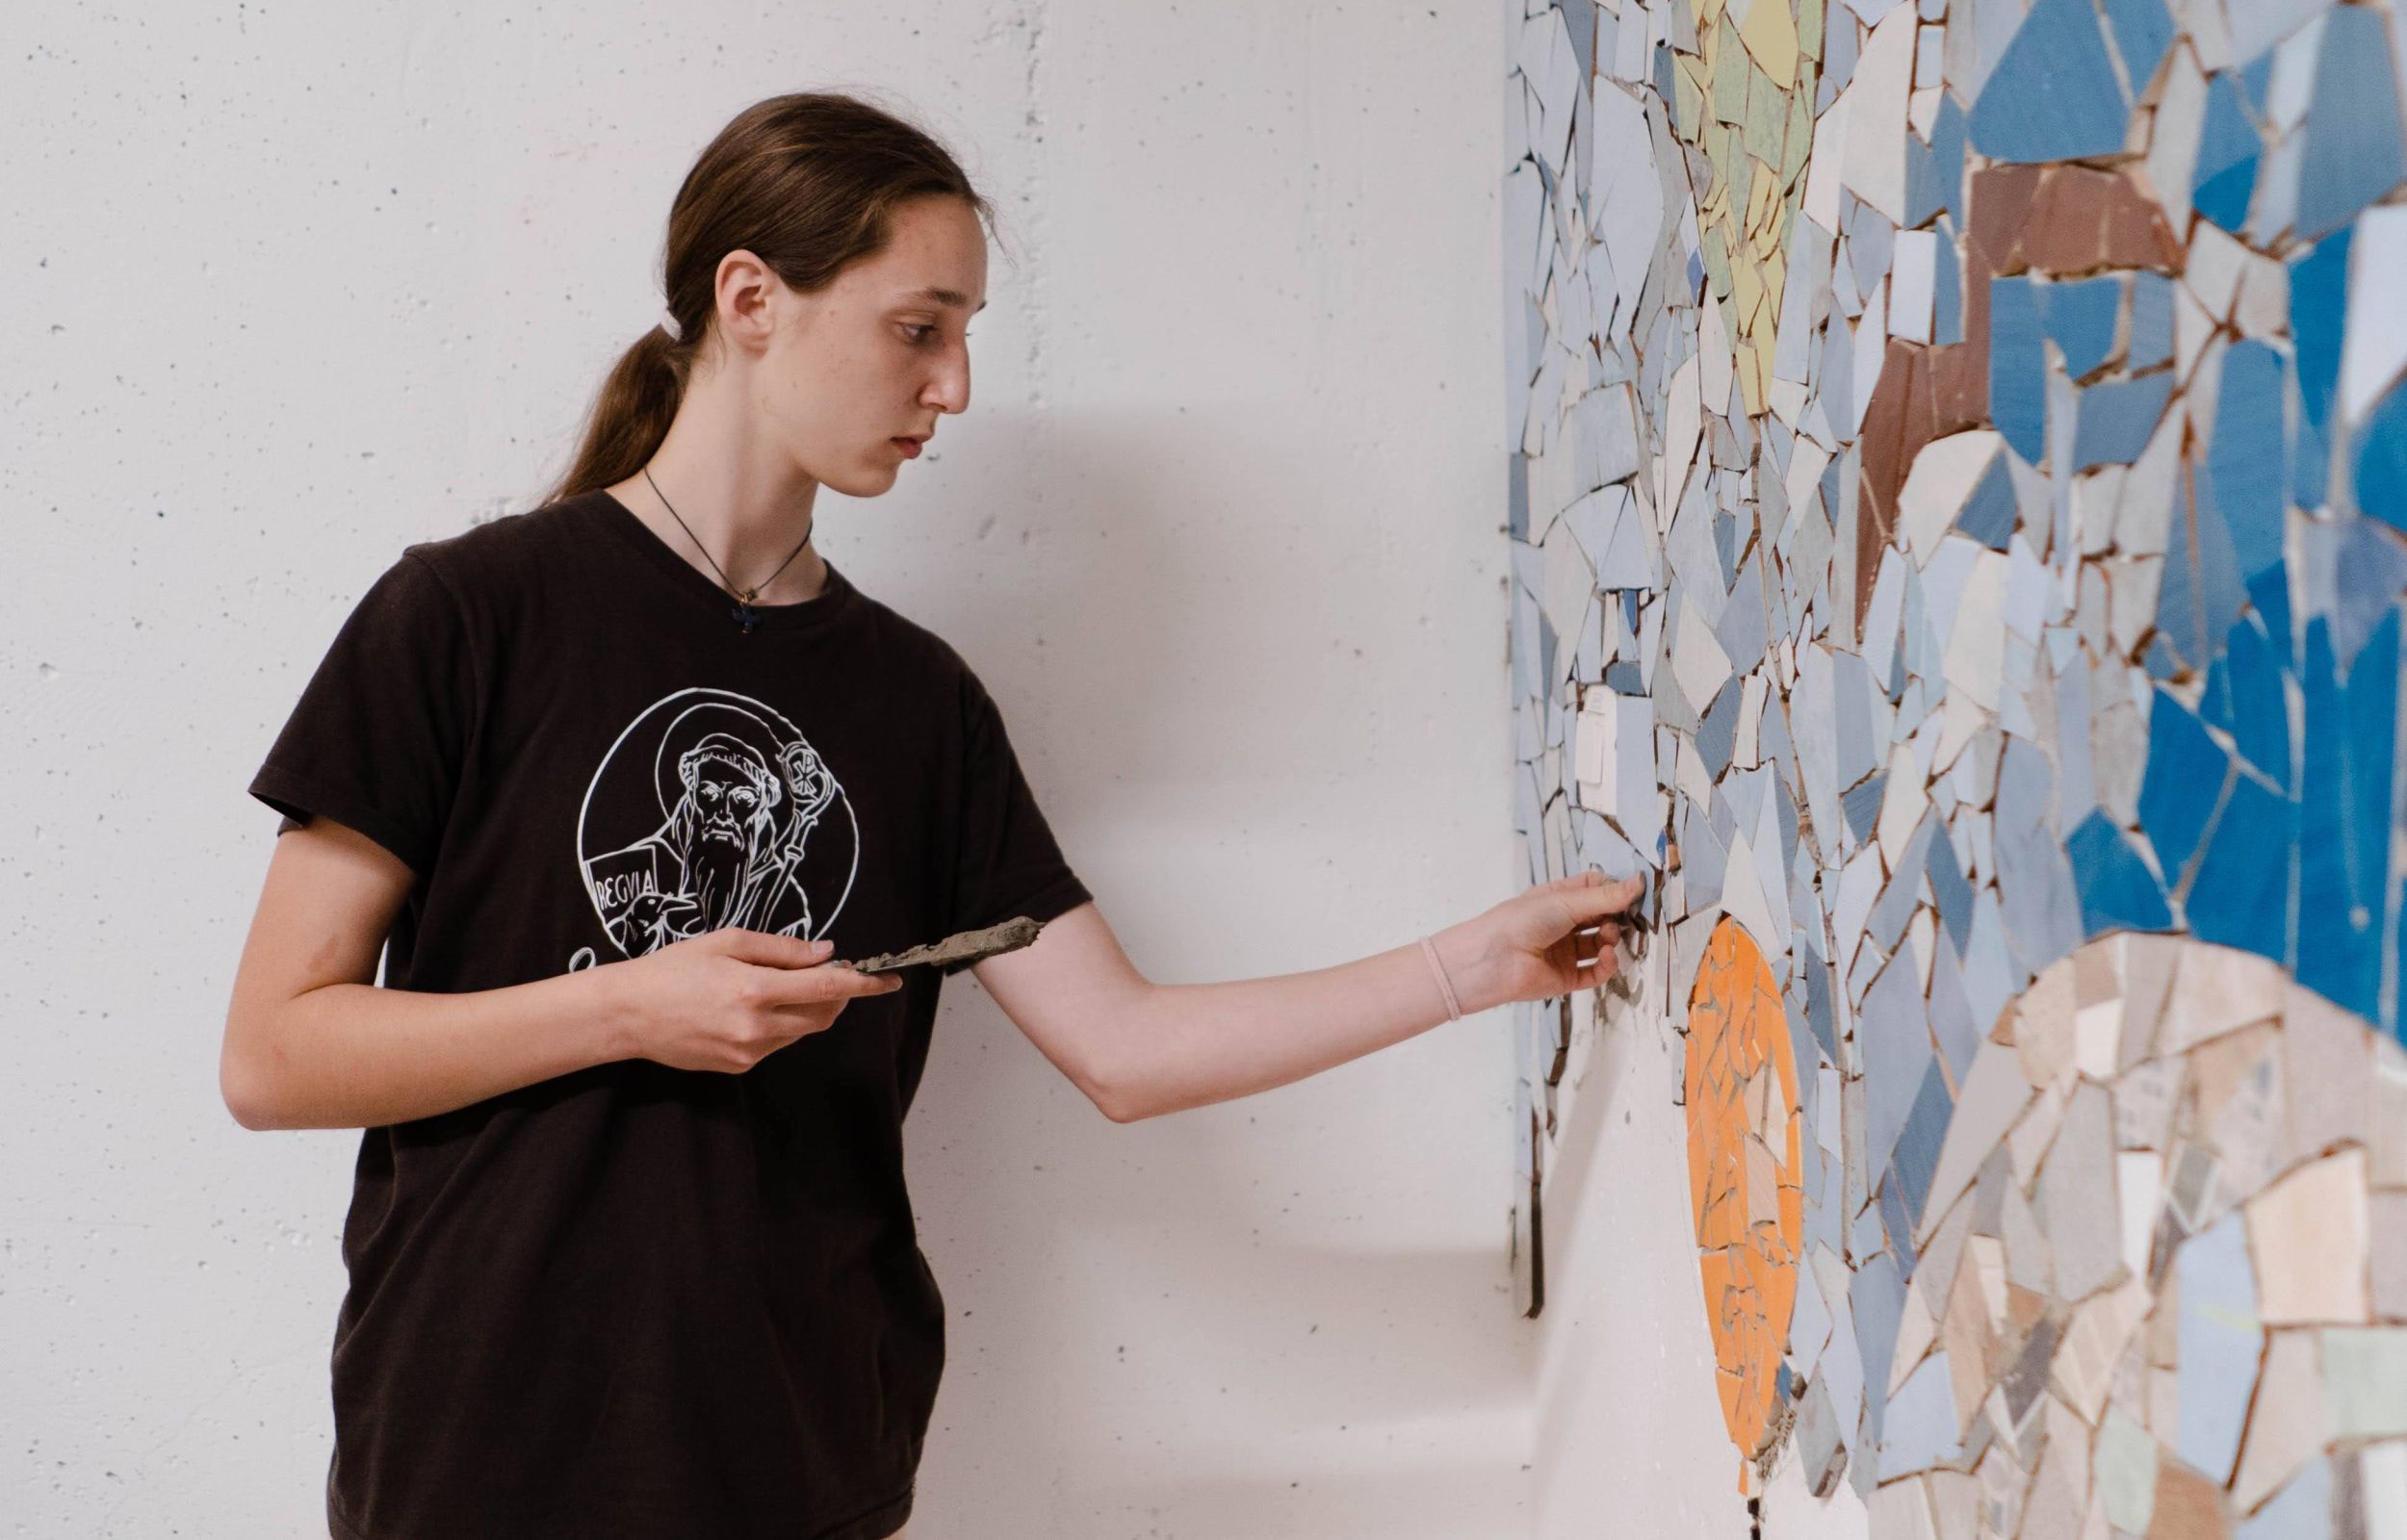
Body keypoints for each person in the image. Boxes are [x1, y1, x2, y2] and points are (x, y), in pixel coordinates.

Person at [220, 89, 1647, 1540]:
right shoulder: (467, 617)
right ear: (751, 300)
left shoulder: (918, 702)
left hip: (801, 1468)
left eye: (965, 335)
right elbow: (273, 1054)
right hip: (479, 1456)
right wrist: (628, 1008)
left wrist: (1473, 967)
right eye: (918, 328)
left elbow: (1124, 1049)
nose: (953, 387)